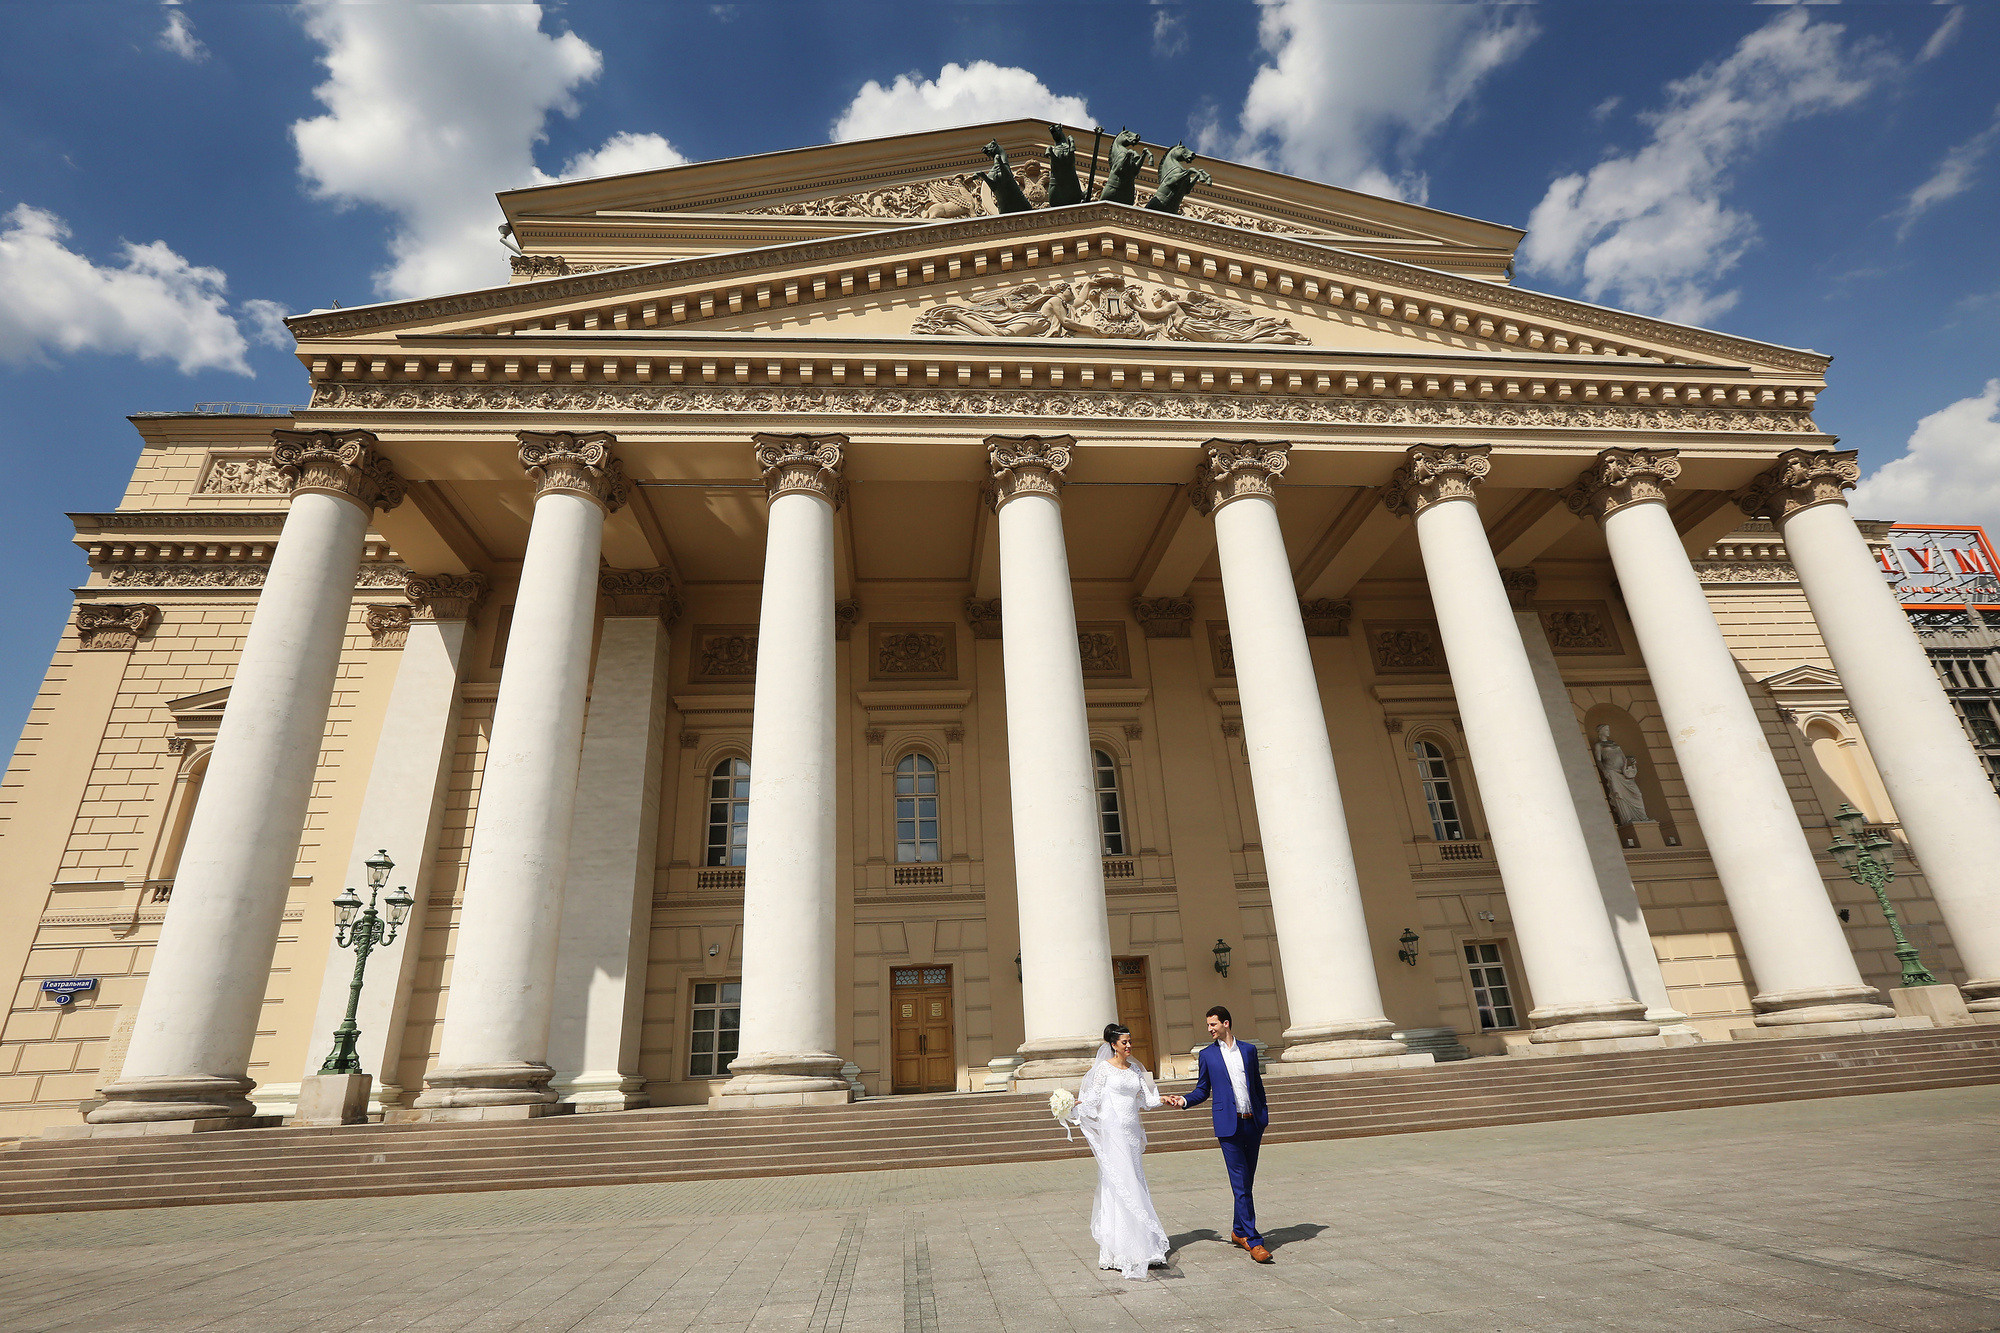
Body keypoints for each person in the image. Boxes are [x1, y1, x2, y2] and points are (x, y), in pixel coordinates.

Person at [1063, 1022, 1173, 1278]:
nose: (1129, 1046)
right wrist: (1073, 1104)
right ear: (1113, 1044)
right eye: (1124, 1042)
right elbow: (1091, 1100)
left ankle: (1144, 1245)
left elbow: (1146, 1100)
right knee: (1119, 1183)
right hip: (1113, 1134)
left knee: (1134, 1180)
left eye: (1130, 1041)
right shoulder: (1103, 1070)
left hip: (1132, 1134)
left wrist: (1164, 1099)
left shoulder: (1135, 1069)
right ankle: (1122, 1249)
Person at [1166, 1005, 1273, 1263]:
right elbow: (1202, 1090)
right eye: (1208, 1025)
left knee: (1246, 1183)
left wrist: (1263, 1116)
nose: (1210, 1029)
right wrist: (1184, 1100)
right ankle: (1254, 1241)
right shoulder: (1207, 1056)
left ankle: (1238, 1231)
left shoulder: (1248, 1050)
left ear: (1226, 1023)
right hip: (1228, 1126)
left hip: (1252, 1124)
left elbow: (1257, 1086)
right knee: (1240, 1183)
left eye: (1213, 1024)